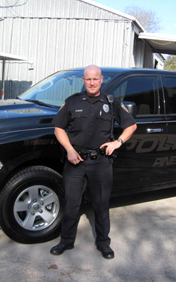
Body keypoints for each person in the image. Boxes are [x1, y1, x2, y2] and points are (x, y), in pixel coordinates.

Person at [50, 65, 137, 259]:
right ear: (83, 80)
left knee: (101, 204)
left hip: (101, 162)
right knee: (71, 204)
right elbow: (59, 128)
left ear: (101, 79)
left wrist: (118, 142)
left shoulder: (111, 102)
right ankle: (66, 241)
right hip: (76, 161)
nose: (91, 82)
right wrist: (70, 150)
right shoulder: (72, 102)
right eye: (88, 79)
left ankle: (104, 244)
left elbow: (131, 125)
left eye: (95, 79)